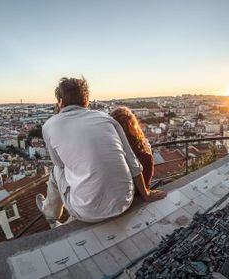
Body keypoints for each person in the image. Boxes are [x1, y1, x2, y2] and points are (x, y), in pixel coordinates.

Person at [36, 77, 166, 224]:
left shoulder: (49, 125)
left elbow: (59, 163)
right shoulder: (106, 118)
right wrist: (146, 194)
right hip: (124, 202)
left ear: (60, 101)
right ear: (86, 100)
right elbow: (132, 161)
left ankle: (50, 213)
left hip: (88, 213)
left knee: (55, 170)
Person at [111, 107, 165, 194]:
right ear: (134, 125)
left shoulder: (110, 153)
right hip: (138, 196)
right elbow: (146, 181)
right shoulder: (144, 154)